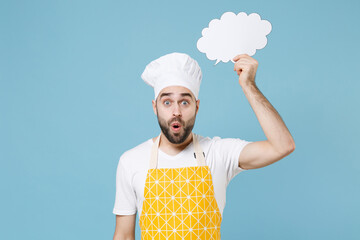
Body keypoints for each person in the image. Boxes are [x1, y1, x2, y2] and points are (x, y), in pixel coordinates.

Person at [112, 52, 295, 240]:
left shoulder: (219, 153)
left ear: (196, 107)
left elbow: (282, 145)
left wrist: (248, 85)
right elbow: (124, 236)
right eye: (167, 102)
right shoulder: (131, 161)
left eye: (184, 102)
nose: (176, 112)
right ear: (155, 107)